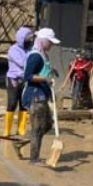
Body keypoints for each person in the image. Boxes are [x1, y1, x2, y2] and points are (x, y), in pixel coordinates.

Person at [21, 28, 61, 164]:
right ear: (43, 41)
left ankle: (20, 142)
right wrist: (45, 79)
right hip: (34, 96)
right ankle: (34, 158)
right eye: (50, 42)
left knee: (47, 125)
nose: (52, 45)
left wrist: (51, 71)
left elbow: (43, 70)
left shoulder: (43, 55)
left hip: (42, 94)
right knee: (38, 128)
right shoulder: (35, 56)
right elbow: (27, 76)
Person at [5, 27, 34, 137]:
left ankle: (21, 129)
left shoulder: (29, 50)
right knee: (12, 103)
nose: (30, 41)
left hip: (25, 80)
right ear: (21, 38)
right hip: (13, 79)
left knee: (24, 105)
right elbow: (23, 63)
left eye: (31, 39)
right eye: (28, 38)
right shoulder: (13, 50)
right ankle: (7, 130)